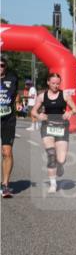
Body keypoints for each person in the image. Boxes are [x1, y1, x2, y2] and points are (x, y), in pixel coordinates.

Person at [31, 72, 76, 193]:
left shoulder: (65, 95)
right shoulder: (42, 96)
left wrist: (70, 113)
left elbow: (75, 109)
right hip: (47, 127)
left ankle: (60, 165)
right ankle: (53, 183)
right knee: (51, 154)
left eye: (58, 83)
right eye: (53, 83)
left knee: (61, 159)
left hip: (62, 127)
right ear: (48, 82)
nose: (56, 86)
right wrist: (39, 115)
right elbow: (33, 111)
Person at [0, 57, 21, 198]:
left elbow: (16, 95)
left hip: (8, 119)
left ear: (5, 66)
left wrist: (18, 104)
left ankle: (5, 185)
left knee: (7, 152)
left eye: (1, 65)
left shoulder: (12, 78)